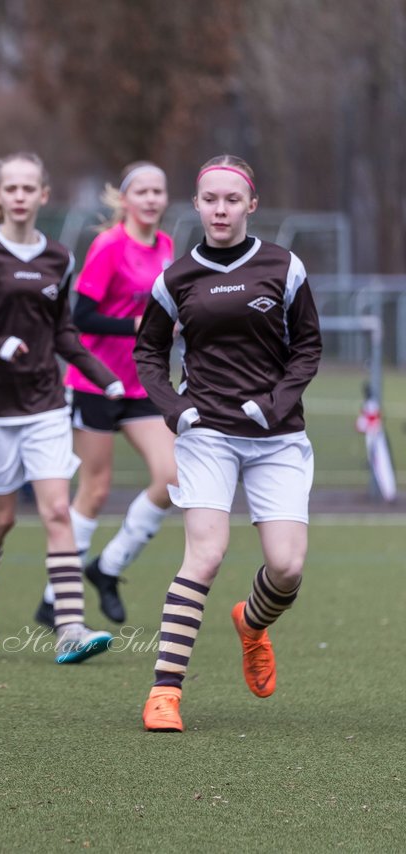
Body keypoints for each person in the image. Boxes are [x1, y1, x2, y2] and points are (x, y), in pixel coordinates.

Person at [134, 155, 321, 733]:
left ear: (251, 205)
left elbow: (308, 348)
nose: (220, 209)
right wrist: (175, 407)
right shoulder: (178, 276)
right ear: (196, 205)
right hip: (207, 433)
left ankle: (252, 624)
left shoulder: (283, 266)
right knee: (206, 554)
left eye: (232, 200)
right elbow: (148, 353)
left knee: (286, 568)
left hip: (277, 435)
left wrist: (274, 404)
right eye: (210, 199)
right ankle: (165, 692)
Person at [0, 152, 123, 665]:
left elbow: (63, 330)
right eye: (9, 188)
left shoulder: (59, 258)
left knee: (58, 509)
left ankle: (70, 628)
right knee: (1, 519)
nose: (19, 196)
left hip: (44, 402)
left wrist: (105, 377)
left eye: (28, 188)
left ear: (43, 194)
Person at [33, 162, 177, 628]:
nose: (152, 199)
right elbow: (80, 318)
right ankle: (58, 597)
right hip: (95, 381)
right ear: (126, 199)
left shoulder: (168, 246)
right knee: (94, 491)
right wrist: (136, 326)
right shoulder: (109, 245)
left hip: (141, 383)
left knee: (173, 477)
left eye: (159, 191)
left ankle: (108, 567)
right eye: (144, 191)